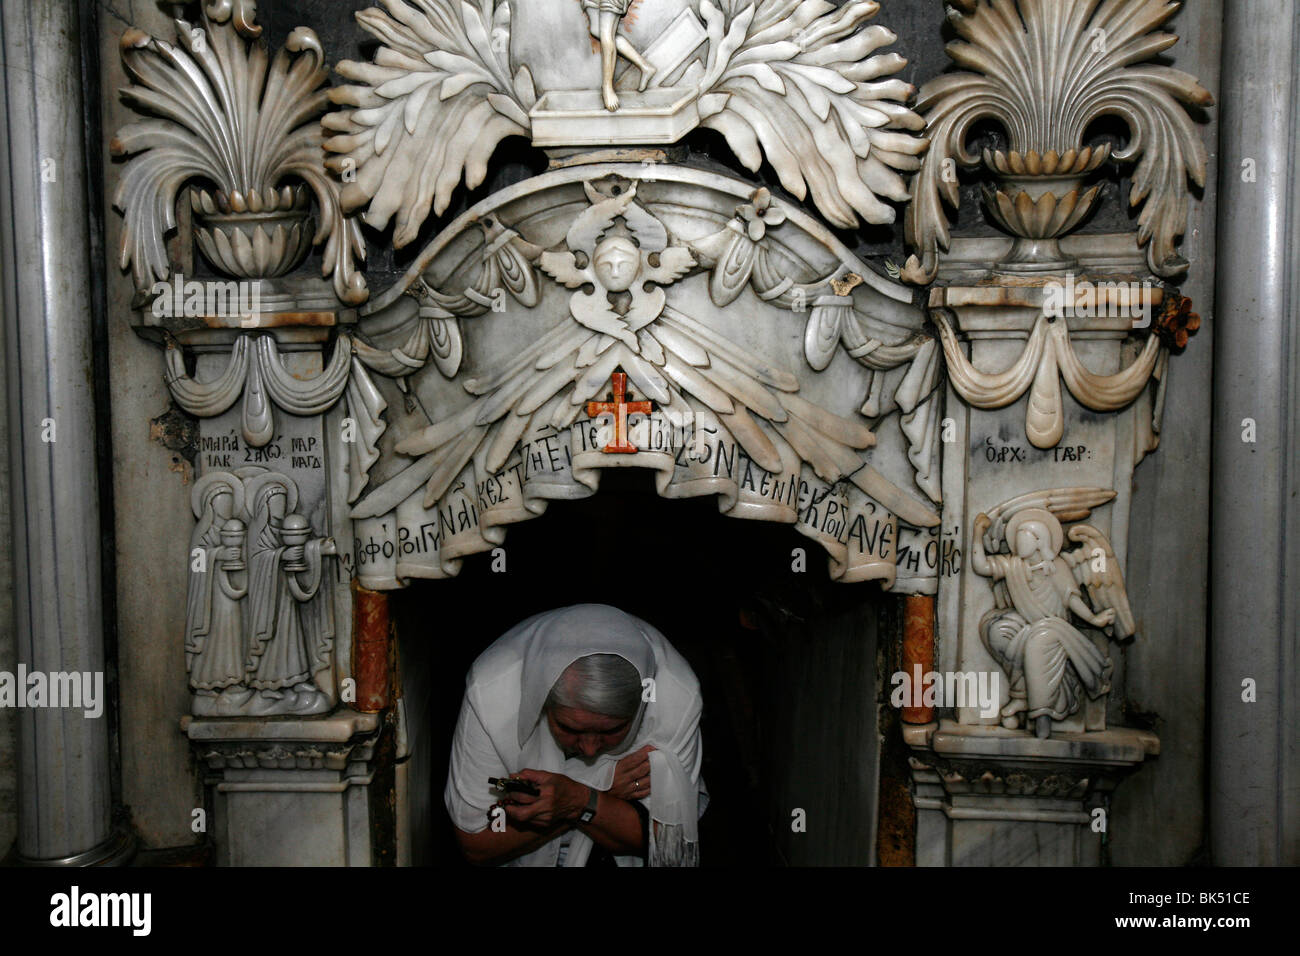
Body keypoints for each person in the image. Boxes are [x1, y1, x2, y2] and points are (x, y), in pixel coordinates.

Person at [445, 604, 706, 866]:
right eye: (570, 729)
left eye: (613, 730)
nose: (590, 749)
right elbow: (476, 844)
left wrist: (577, 800)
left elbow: (670, 845)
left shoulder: (675, 698)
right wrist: (593, 796)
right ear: (543, 701)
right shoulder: (493, 692)